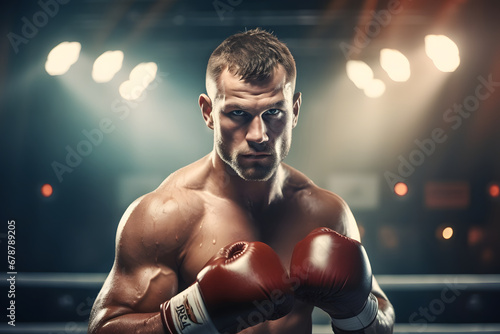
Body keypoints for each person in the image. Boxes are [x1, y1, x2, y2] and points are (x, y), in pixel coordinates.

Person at [89, 28, 395, 334]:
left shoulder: (326, 213)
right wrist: (195, 310)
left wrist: (355, 309)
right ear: (208, 112)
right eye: (237, 113)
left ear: (295, 110)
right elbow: (104, 329)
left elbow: (381, 318)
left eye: (274, 112)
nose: (258, 135)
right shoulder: (164, 215)